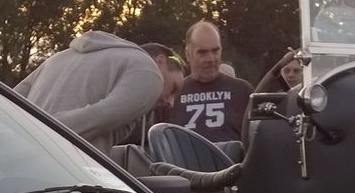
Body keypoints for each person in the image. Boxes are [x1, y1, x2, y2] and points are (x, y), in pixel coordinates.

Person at [15, 30, 164, 151]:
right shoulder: (149, 71)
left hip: (14, 164)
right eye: (174, 88)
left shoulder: (56, 59)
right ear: (160, 62)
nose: (170, 102)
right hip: (63, 171)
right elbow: (98, 117)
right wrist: (36, 135)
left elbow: (10, 103)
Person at [168, 20, 254, 147]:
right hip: (184, 160)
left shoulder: (242, 91)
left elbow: (256, 141)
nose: (210, 59)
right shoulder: (172, 93)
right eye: (202, 52)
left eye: (215, 51)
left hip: (230, 159)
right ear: (188, 54)